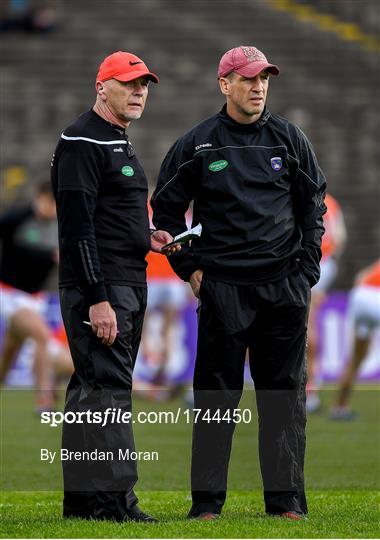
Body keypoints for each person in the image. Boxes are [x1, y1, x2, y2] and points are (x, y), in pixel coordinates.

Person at [151, 45, 326, 520]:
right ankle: (207, 504)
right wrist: (190, 269)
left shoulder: (290, 139)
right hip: (223, 288)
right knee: (215, 399)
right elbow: (165, 212)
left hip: (283, 287)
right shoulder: (198, 143)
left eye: (264, 78)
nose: (258, 87)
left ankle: (286, 503)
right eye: (248, 79)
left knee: (284, 399)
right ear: (224, 84)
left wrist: (306, 270)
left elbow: (314, 207)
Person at [51, 51, 177, 523]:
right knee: (109, 392)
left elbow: (107, 219)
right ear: (101, 86)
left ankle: (83, 503)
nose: (139, 91)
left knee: (90, 390)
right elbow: (77, 229)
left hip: (123, 277)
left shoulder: (112, 138)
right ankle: (116, 503)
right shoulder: (84, 140)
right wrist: (98, 297)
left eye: (144, 84)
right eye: (129, 83)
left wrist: (148, 237)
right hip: (103, 287)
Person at [0, 181, 72, 411]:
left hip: (35, 298)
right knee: (41, 335)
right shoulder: (17, 219)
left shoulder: (60, 225)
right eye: (52, 203)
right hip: (10, 295)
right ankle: (44, 399)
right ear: (41, 199)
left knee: (11, 349)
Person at [306, 193, 346, 412]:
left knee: (306, 327)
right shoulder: (329, 201)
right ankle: (310, 387)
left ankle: (309, 387)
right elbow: (339, 239)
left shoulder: (324, 201)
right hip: (320, 264)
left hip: (309, 265)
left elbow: (337, 239)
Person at [330, 259, 380, 420]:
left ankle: (339, 407)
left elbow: (360, 277)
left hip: (360, 295)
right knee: (358, 357)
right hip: (375, 297)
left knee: (357, 358)